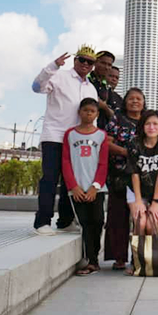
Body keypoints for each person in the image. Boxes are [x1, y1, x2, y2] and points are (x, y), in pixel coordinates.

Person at [31, 46, 99, 236]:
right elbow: (36, 87)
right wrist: (53, 66)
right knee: (50, 179)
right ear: (75, 60)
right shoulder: (59, 76)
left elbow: (92, 117)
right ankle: (42, 222)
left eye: (90, 62)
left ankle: (65, 220)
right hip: (54, 136)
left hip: (77, 141)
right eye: (82, 60)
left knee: (72, 181)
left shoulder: (91, 89)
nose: (85, 64)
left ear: (93, 66)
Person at [61, 98, 109, 276]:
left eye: (92, 111)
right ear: (79, 112)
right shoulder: (70, 134)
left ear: (97, 114)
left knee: (98, 221)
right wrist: (73, 186)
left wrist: (95, 187)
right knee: (85, 223)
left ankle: (94, 256)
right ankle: (91, 260)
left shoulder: (101, 135)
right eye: (85, 110)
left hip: (96, 189)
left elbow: (103, 164)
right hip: (77, 190)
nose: (88, 114)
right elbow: (65, 161)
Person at [103, 88, 145, 271]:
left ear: (143, 102)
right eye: (131, 98)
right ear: (125, 101)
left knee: (141, 219)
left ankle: (140, 257)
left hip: (144, 177)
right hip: (119, 174)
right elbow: (107, 143)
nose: (135, 101)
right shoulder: (117, 118)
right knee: (118, 217)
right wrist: (126, 152)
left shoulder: (148, 120)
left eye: (138, 99)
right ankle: (119, 258)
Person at [127, 109, 158, 237]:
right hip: (137, 189)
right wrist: (138, 201)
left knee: (151, 225)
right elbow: (135, 173)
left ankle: (153, 256)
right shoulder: (134, 143)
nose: (151, 127)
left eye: (155, 124)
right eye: (148, 124)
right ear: (142, 126)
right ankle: (137, 256)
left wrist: (155, 202)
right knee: (140, 222)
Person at [88, 50, 120, 129]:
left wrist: (104, 107)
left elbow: (115, 115)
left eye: (109, 65)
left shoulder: (107, 87)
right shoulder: (86, 80)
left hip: (102, 131)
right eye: (103, 63)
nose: (106, 67)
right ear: (95, 62)